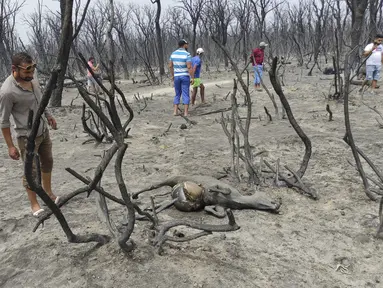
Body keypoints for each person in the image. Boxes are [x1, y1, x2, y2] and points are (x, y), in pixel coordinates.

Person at [0, 52, 59, 217]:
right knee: (30, 171)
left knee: (48, 161)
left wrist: (49, 116)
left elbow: (40, 100)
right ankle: (34, 204)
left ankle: (48, 193)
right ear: (15, 69)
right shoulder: (7, 92)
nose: (31, 74)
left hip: (43, 130)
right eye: (27, 71)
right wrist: (10, 146)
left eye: (32, 70)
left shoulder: (32, 79)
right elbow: (4, 122)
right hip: (26, 137)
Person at [168, 39, 194, 116]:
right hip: (185, 76)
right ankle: (186, 112)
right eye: (187, 44)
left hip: (177, 76)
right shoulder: (187, 54)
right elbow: (189, 67)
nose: (187, 45)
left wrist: (173, 75)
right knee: (185, 93)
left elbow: (170, 66)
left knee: (177, 93)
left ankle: (175, 111)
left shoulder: (173, 54)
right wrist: (192, 77)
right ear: (184, 45)